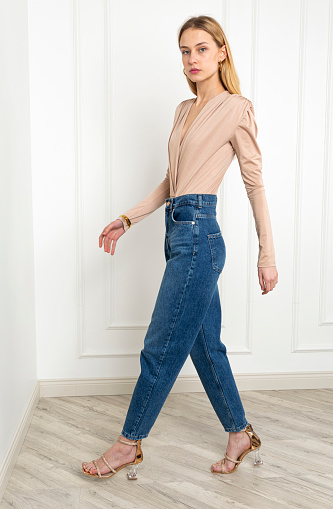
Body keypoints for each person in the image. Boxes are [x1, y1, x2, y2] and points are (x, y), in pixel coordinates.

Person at [82, 14, 278, 480]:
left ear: (222, 52)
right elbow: (172, 182)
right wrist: (129, 217)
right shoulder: (182, 111)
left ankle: (128, 443)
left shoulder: (236, 107)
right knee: (206, 347)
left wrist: (266, 252)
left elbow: (255, 184)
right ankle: (239, 432)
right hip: (177, 232)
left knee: (160, 345)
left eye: (202, 49)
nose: (193, 59)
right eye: (186, 51)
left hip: (200, 237)